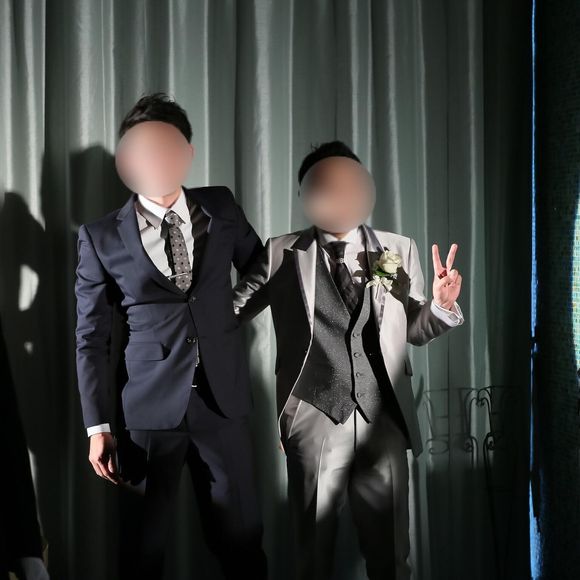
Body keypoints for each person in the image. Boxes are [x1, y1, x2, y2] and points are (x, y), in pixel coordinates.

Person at [233, 141, 465, 580]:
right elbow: (229, 313)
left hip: (384, 420)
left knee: (391, 555)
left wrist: (440, 305)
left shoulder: (397, 248)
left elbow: (414, 330)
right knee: (311, 554)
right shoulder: (281, 252)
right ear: (308, 194)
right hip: (314, 416)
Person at [75, 93, 267, 579]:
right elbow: (92, 337)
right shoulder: (100, 236)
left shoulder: (221, 205)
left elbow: (264, 271)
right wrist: (98, 427)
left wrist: (228, 313)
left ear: (187, 152)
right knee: (142, 552)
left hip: (223, 404)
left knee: (243, 545)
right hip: (147, 411)